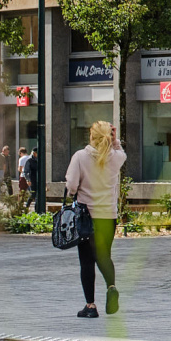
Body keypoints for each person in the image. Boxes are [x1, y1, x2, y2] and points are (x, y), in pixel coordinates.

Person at [65, 120, 125, 318]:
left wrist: (73, 192)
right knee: (104, 255)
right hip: (108, 216)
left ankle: (90, 306)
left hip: (86, 216)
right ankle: (111, 286)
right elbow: (121, 152)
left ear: (91, 136)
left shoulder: (80, 156)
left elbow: (71, 185)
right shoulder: (116, 158)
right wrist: (115, 141)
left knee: (86, 261)